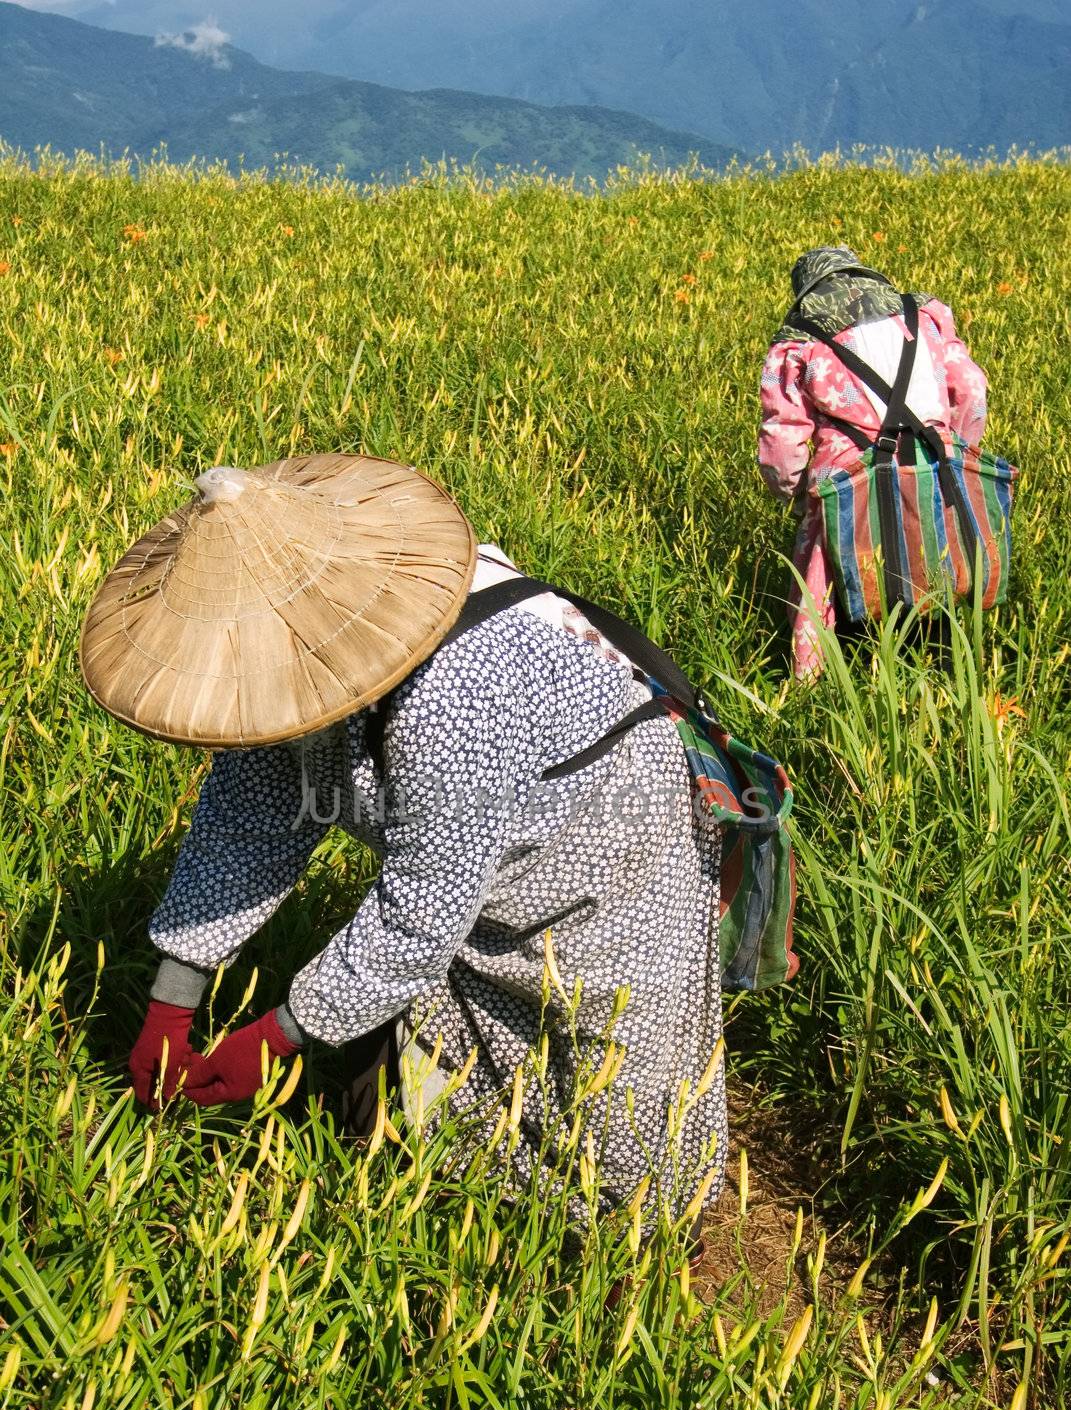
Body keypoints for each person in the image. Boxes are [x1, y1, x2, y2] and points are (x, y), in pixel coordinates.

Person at [80, 453, 728, 1232]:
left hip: (621, 832)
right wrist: (173, 1000)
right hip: (477, 828)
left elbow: (421, 914)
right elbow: (246, 819)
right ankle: (474, 1210)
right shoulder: (271, 656)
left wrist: (278, 1034)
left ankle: (643, 1244)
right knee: (450, 1025)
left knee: (612, 1049)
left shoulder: (453, 697)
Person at [758, 246, 989, 679]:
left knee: (829, 581)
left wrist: (792, 492)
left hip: (846, 478)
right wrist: (954, 449)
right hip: (933, 463)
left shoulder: (798, 342)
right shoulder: (924, 316)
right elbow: (972, 390)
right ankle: (940, 670)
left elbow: (782, 437)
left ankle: (821, 686)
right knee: (936, 560)